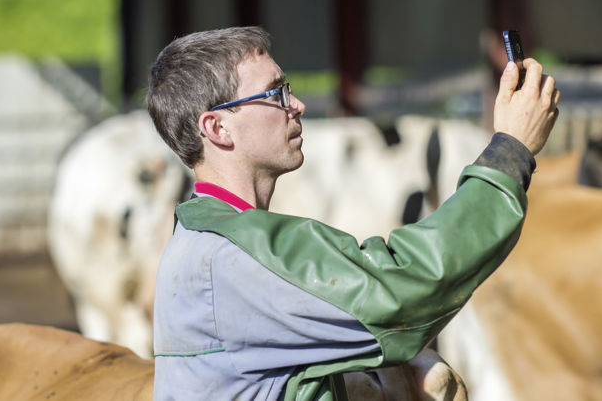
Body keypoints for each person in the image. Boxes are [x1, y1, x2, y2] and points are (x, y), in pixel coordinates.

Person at [146, 26, 559, 401]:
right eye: (275, 94)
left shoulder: (204, 244)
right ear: (218, 128)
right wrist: (511, 151)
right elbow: (403, 291)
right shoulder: (234, 257)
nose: (299, 105)